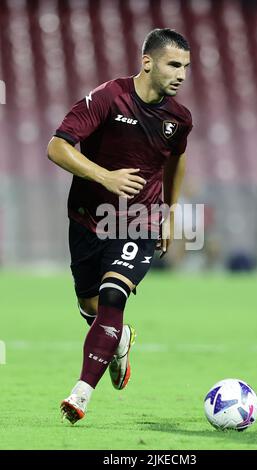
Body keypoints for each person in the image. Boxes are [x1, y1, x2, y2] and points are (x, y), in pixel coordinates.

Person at [47, 28, 192, 424]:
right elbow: (56, 146)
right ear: (147, 62)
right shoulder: (109, 97)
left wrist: (169, 213)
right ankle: (120, 339)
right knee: (90, 305)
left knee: (114, 297)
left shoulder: (179, 118)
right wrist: (105, 177)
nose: (181, 74)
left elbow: (175, 162)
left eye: (186, 67)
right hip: (87, 218)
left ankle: (81, 394)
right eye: (173, 64)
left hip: (139, 221)